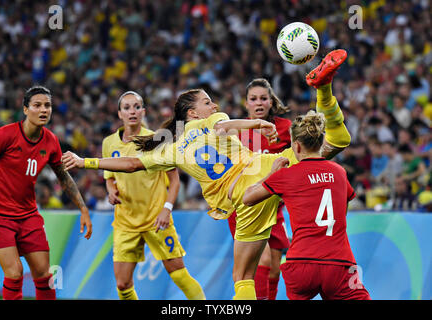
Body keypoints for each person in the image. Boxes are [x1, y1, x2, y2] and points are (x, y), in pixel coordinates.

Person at [62, 49, 352, 300]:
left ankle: (323, 87)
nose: (214, 105)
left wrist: (85, 162)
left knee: (243, 277)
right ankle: (324, 91)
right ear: (193, 113)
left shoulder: (172, 150)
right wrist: (255, 125)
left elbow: (130, 164)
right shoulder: (213, 119)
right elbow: (223, 127)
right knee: (335, 143)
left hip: (244, 195)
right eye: (207, 102)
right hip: (267, 167)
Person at [242, 110, 371, 300]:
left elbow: (247, 197)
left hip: (300, 263)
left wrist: (271, 174)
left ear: (296, 145)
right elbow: (341, 213)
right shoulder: (340, 172)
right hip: (339, 263)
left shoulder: (286, 175)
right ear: (321, 142)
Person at [0, 86, 93, 300]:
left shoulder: (51, 141)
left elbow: (63, 177)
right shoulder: (5, 134)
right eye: (37, 105)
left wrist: (83, 208)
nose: (44, 110)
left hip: (28, 216)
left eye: (48, 105)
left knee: (44, 275)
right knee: (14, 273)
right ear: (25, 109)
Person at [103, 91, 205, 300]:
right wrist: (111, 190)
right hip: (125, 222)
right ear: (120, 113)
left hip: (156, 220)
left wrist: (166, 209)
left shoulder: (157, 140)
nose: (132, 111)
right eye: (127, 107)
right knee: (123, 284)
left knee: (179, 275)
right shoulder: (109, 143)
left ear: (143, 111)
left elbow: (175, 181)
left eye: (137, 107)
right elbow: (109, 176)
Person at [228, 78, 292, 300]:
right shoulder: (236, 131)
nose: (259, 103)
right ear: (246, 103)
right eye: (253, 99)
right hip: (247, 206)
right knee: (260, 263)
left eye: (263, 98)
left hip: (274, 207)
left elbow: (296, 159)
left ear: (271, 102)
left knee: (275, 269)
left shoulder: (285, 129)